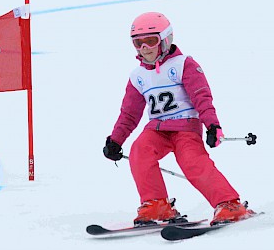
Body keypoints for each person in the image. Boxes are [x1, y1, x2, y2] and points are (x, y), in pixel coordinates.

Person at [103, 12, 254, 226]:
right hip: (156, 130)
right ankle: (156, 205)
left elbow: (202, 96)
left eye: (150, 41)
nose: (144, 48)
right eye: (138, 43)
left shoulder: (184, 64)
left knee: (193, 162)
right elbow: (129, 113)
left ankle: (229, 204)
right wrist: (115, 140)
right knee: (140, 150)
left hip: (185, 128)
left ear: (165, 40)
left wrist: (212, 125)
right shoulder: (138, 76)